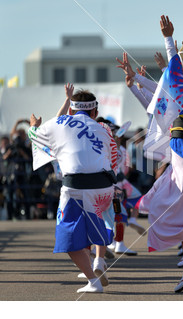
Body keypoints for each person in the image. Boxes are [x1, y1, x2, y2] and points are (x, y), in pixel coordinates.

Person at [117, 15, 183, 293]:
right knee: (169, 204)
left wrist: (168, 40)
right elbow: (164, 89)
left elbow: (171, 81)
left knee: (172, 211)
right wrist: (137, 79)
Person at [27, 88, 117, 293]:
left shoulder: (60, 123)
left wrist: (33, 126)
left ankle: (93, 281)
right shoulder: (103, 128)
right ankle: (99, 260)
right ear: (95, 111)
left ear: (71, 111)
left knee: (68, 237)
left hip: (75, 189)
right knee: (96, 220)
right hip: (104, 189)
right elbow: (112, 160)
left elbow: (35, 136)